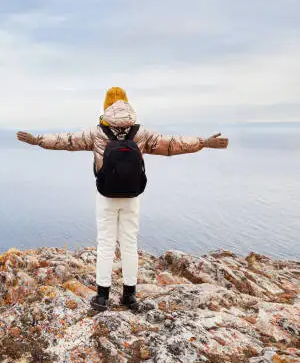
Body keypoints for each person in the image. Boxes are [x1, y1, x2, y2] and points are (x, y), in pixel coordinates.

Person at [16, 87, 229, 312]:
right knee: (129, 244)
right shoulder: (141, 132)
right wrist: (202, 142)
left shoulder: (97, 132)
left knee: (106, 243)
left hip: (106, 195)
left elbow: (66, 140)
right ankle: (129, 296)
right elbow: (172, 144)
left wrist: (37, 140)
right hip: (131, 196)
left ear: (106, 105)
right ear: (127, 104)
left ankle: (102, 297)